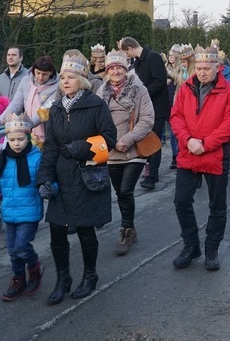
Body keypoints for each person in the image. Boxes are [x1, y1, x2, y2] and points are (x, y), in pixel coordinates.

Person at [35, 50, 117, 305]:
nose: (65, 81)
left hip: (87, 177)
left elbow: (109, 140)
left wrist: (80, 148)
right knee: (57, 230)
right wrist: (44, 179)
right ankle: (63, 280)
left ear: (81, 79)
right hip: (62, 177)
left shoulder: (96, 105)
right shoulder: (57, 109)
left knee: (84, 229)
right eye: (62, 77)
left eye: (70, 76)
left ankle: (90, 276)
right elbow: (50, 147)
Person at [170, 44, 230, 271]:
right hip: (188, 153)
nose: (201, 72)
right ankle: (191, 245)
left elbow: (229, 126)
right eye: (198, 68)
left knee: (217, 206)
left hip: (215, 155)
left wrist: (206, 144)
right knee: (181, 201)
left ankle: (212, 248)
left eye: (206, 68)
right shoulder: (185, 89)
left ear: (217, 67)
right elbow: (176, 117)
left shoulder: (229, 92)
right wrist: (188, 140)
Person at [0, 113, 45, 301]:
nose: (16, 143)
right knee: (12, 251)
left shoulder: (37, 158)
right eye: (12, 139)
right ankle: (18, 279)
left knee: (22, 247)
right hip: (9, 213)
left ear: (29, 137)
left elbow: (48, 180)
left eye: (21, 139)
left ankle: (35, 269)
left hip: (29, 212)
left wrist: (50, 188)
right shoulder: (2, 160)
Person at [95, 50, 155, 256]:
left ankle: (126, 230)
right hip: (110, 152)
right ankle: (130, 227)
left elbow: (147, 119)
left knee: (125, 191)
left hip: (133, 150)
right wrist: (110, 143)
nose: (115, 71)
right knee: (120, 192)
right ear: (107, 70)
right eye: (111, 68)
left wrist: (126, 140)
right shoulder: (101, 91)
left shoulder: (139, 89)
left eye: (119, 67)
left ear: (126, 68)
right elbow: (96, 121)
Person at [119, 37, 169, 191]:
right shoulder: (138, 62)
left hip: (157, 108)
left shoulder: (153, 57)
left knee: (153, 141)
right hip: (144, 108)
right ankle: (147, 172)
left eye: (126, 52)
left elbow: (160, 81)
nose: (127, 56)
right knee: (144, 139)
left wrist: (143, 93)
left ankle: (152, 176)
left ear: (130, 49)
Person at [0, 55, 60, 149]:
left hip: (48, 131)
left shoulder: (58, 87)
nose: (40, 77)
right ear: (33, 70)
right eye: (38, 73)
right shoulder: (25, 81)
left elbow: (46, 110)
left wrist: (29, 123)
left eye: (44, 74)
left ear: (51, 73)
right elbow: (16, 103)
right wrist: (1, 119)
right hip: (26, 130)